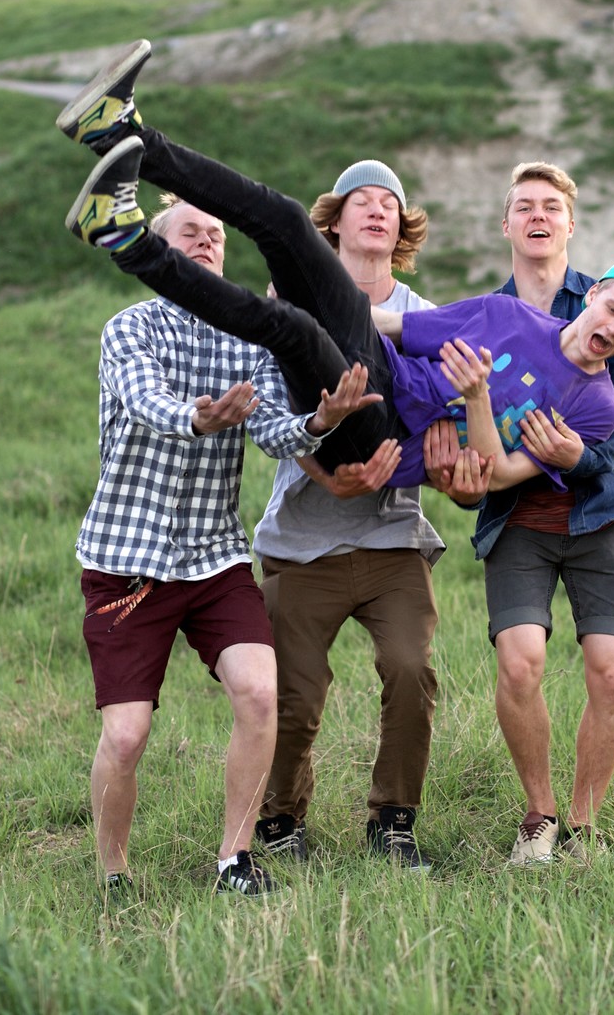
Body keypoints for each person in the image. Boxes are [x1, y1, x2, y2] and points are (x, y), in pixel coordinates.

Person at [55, 41, 614, 499]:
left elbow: (496, 475)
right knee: (286, 223)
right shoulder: (506, 314)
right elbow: (391, 326)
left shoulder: (599, 406)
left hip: (383, 437)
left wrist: (477, 397)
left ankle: (127, 241)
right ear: (596, 293)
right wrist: (318, 293)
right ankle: (121, 131)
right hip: (382, 368)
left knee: (291, 330)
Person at [76, 193, 375, 899]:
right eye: (192, 231)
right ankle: (114, 874)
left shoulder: (248, 342)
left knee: (260, 692)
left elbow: (272, 430)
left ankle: (233, 861)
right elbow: (146, 401)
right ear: (159, 248)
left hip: (215, 558)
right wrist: (199, 418)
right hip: (128, 561)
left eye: (217, 233)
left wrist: (320, 421)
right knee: (126, 736)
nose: (209, 241)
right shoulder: (130, 328)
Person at [249, 160, 480, 871]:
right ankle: (280, 818)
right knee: (295, 696)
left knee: (412, 672)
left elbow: (456, 430)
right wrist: (330, 472)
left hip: (392, 537)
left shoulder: (424, 316)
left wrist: (451, 466)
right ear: (335, 222)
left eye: (390, 203)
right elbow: (267, 419)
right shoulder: (293, 303)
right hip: (302, 540)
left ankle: (393, 822)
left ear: (401, 226)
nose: (378, 210)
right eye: (363, 201)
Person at [478, 161, 614, 865]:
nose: (539, 216)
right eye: (525, 205)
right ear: (506, 223)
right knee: (520, 663)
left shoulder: (612, 305)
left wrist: (580, 458)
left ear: (569, 224)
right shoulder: (491, 313)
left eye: (551, 207)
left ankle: (584, 825)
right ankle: (540, 815)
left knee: (611, 672)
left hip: (598, 513)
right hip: (517, 517)